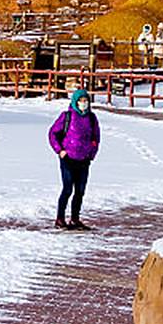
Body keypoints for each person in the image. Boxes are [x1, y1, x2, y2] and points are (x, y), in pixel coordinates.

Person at [48, 88, 101, 230]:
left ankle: (75, 219)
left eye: (86, 101)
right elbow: (53, 134)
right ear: (75, 102)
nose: (83, 103)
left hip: (84, 160)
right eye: (81, 101)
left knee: (80, 191)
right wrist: (60, 151)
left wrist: (92, 153)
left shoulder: (91, 118)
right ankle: (60, 218)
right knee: (67, 189)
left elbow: (96, 138)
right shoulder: (67, 116)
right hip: (68, 159)